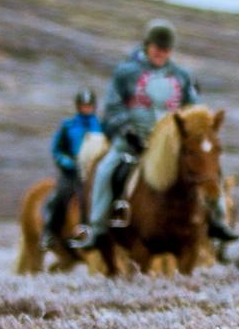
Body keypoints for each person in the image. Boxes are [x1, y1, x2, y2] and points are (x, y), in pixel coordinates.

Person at [81, 22, 200, 247]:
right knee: (105, 171)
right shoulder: (126, 73)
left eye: (166, 50)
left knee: (206, 169)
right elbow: (113, 107)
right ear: (147, 46)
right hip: (131, 141)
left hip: (170, 145)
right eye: (157, 48)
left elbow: (192, 108)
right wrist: (127, 131)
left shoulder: (181, 76)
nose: (161, 54)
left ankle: (215, 221)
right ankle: (97, 228)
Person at [43, 87, 101, 249]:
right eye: (83, 106)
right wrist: (68, 163)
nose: (86, 109)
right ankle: (49, 232)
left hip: (92, 170)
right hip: (72, 171)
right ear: (78, 107)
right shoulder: (67, 126)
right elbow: (57, 149)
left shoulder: (100, 126)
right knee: (60, 196)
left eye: (89, 106)